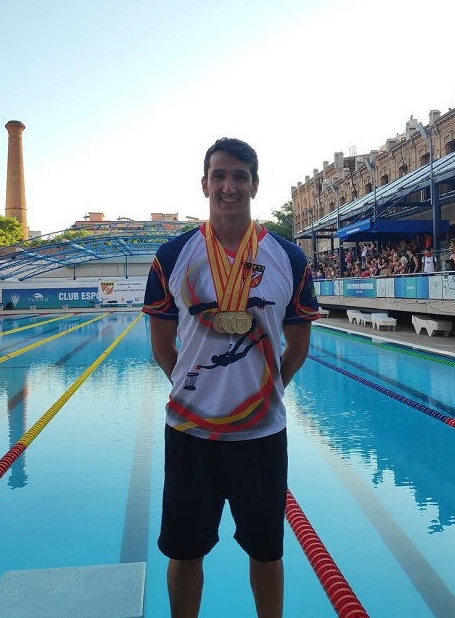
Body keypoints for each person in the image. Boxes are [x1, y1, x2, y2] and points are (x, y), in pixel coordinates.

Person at [143, 137, 319, 618]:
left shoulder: (290, 259)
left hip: (261, 435)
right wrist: (194, 391)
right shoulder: (172, 255)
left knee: (267, 551)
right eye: (219, 175)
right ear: (204, 184)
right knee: (184, 551)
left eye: (240, 175)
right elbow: (162, 347)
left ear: (255, 185)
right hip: (190, 432)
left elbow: (297, 348)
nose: (228, 185)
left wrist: (264, 395)